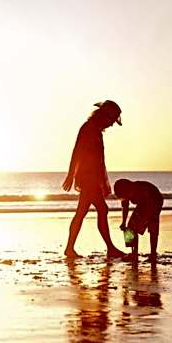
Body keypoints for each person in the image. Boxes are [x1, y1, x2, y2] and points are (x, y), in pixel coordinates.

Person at [62, 100, 126, 259]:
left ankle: (70, 248)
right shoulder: (88, 129)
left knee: (83, 212)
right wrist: (71, 175)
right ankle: (109, 248)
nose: (111, 125)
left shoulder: (95, 130)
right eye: (111, 120)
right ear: (104, 116)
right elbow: (77, 151)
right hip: (87, 177)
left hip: (92, 177)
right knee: (100, 210)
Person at [115, 178, 163, 261]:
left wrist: (143, 222)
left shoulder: (141, 190)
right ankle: (134, 253)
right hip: (143, 203)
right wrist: (123, 222)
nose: (124, 198)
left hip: (155, 201)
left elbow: (149, 208)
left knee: (153, 228)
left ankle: (153, 254)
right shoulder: (125, 194)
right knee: (130, 228)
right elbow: (125, 207)